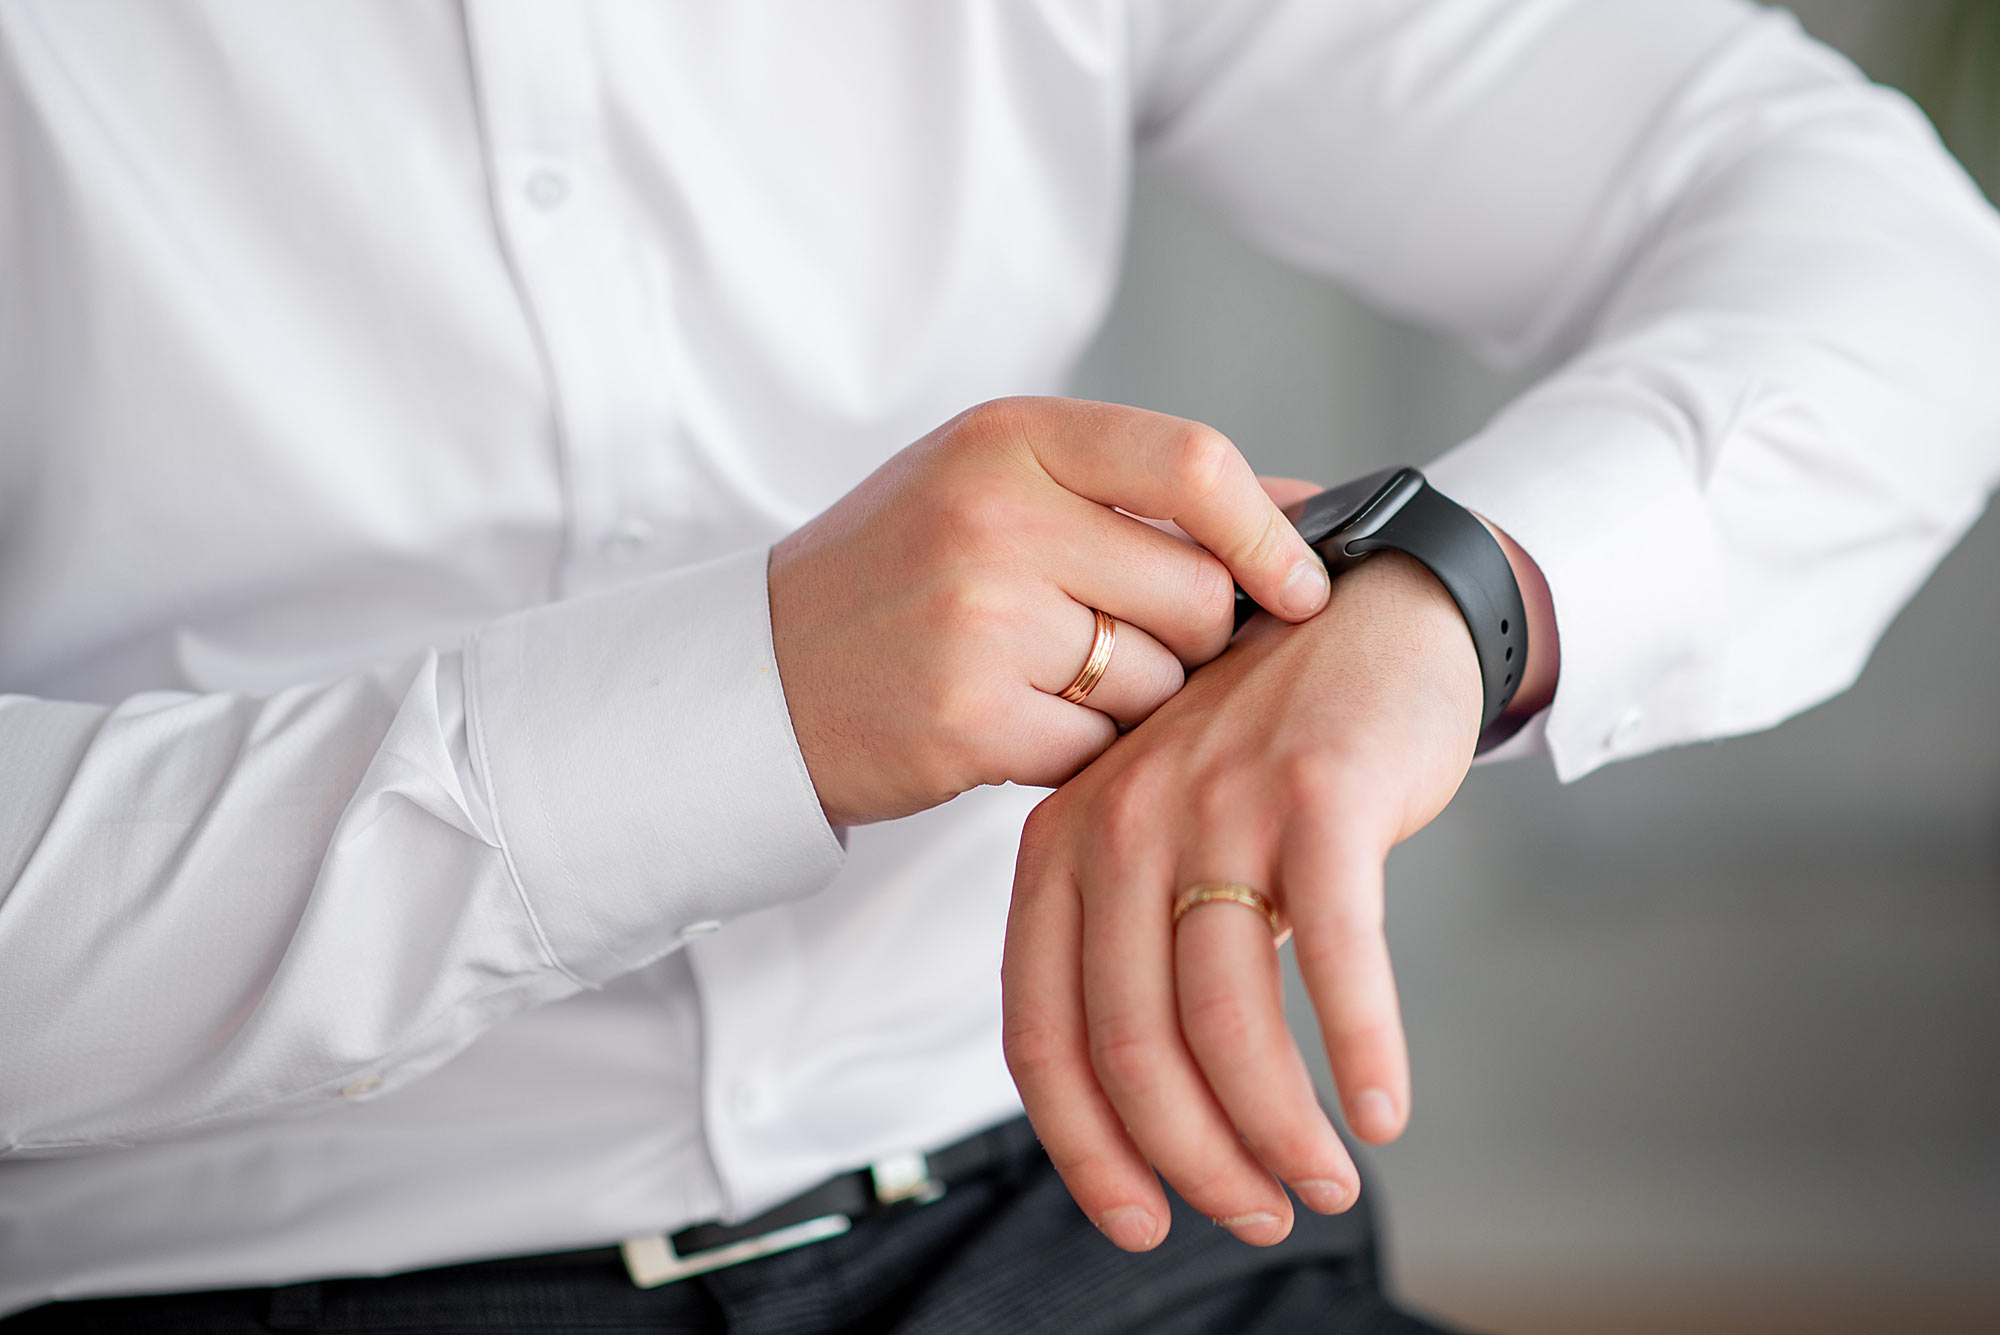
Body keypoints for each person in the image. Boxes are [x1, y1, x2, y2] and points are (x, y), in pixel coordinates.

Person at [2, 1, 1996, 1331]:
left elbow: (1878, 245)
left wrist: (1448, 604)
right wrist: (752, 699)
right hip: (228, 1274)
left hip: (1089, 1219)